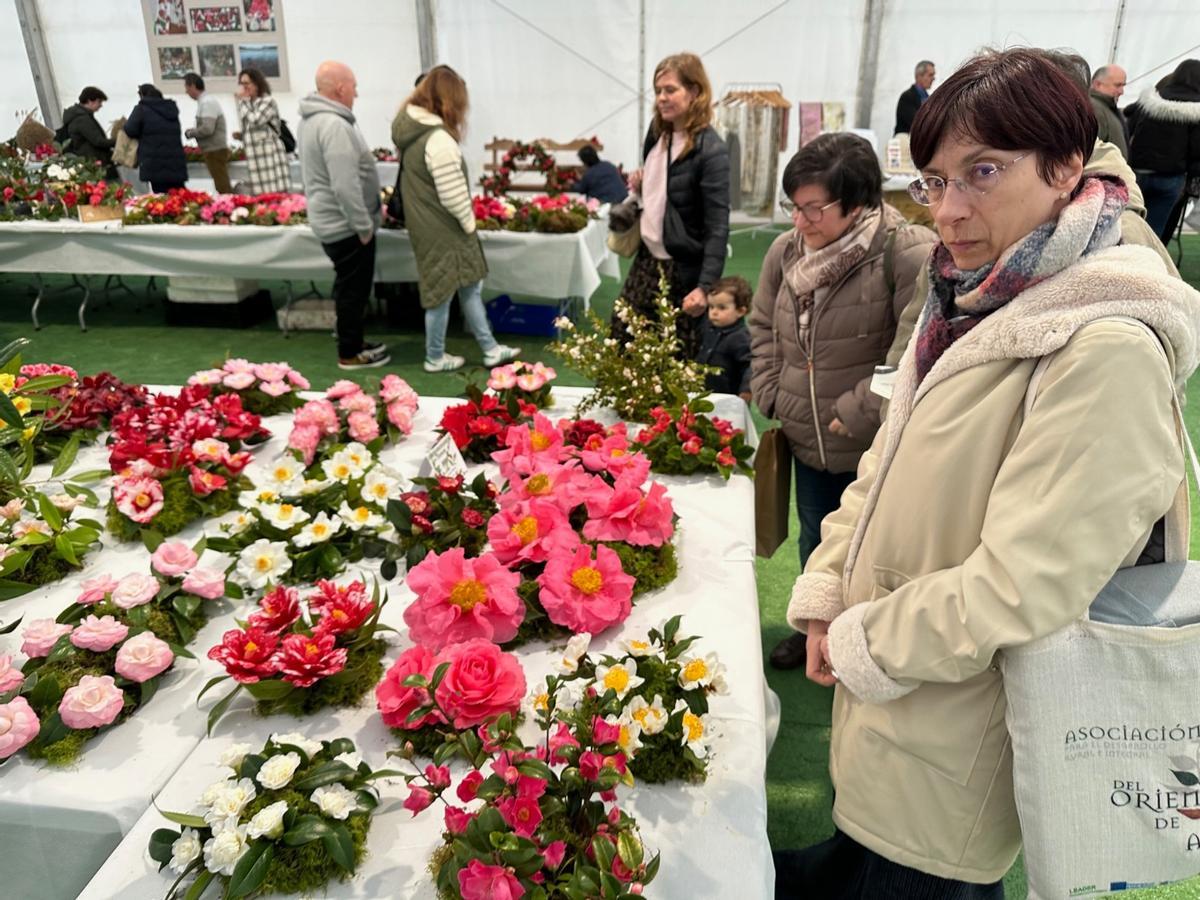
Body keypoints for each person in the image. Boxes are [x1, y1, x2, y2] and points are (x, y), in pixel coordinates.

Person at [775, 48, 1200, 897]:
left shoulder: (1102, 346)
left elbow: (1023, 585)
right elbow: (884, 466)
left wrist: (865, 639)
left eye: (983, 172)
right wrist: (826, 591)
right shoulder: (967, 299)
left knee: (924, 875)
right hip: (906, 699)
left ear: (1066, 165)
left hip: (965, 725)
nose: (950, 210)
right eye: (934, 181)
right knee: (864, 858)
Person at [749, 133, 935, 672]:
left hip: (875, 444)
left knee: (876, 551)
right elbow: (762, 324)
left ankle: (869, 649)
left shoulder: (905, 251)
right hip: (807, 438)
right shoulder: (786, 252)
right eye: (795, 206)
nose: (800, 221)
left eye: (814, 209)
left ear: (858, 204)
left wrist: (852, 412)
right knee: (817, 539)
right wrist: (768, 388)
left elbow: (912, 351)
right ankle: (815, 634)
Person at [392, 65, 520, 372]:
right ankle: (435, 356)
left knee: (466, 288)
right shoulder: (438, 139)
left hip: (428, 227)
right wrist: (469, 223)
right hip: (446, 230)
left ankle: (489, 348)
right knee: (442, 295)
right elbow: (452, 195)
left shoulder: (412, 133)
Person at [619, 52, 730, 360]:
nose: (661, 98)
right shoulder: (657, 134)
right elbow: (660, 191)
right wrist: (643, 184)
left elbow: (718, 227)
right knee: (623, 344)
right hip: (646, 260)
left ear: (694, 92)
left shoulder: (712, 151)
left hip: (681, 270)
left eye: (670, 90)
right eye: (658, 91)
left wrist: (705, 287)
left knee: (673, 360)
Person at [298, 61, 390, 371]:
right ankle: (350, 352)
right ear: (340, 88)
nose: (357, 93)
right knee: (354, 291)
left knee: (347, 287)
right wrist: (363, 226)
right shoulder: (334, 125)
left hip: (332, 221)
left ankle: (352, 339)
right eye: (353, 86)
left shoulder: (313, 121)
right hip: (346, 226)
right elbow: (344, 184)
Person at [1126, 59, 1200, 241]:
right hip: (1170, 178)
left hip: (1136, 172)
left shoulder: (1151, 99)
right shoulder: (1196, 110)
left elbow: (1129, 124)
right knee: (1153, 233)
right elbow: (1196, 151)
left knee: (1127, 224)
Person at [233, 67, 290, 194]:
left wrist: (242, 102)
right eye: (241, 83)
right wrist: (242, 135)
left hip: (269, 155)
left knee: (276, 194)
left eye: (246, 83)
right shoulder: (248, 103)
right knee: (261, 196)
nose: (243, 87)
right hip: (255, 157)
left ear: (256, 83)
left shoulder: (267, 101)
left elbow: (257, 120)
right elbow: (250, 128)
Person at [695, 275, 752, 400]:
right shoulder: (709, 329)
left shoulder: (740, 337)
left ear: (741, 311)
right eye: (711, 307)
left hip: (729, 398)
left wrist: (746, 390)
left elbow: (750, 365)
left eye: (722, 308)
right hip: (704, 394)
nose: (714, 312)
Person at [123, 84, 187, 193]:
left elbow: (130, 130)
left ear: (142, 95)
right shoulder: (171, 109)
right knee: (179, 195)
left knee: (161, 198)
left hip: (154, 162)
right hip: (175, 162)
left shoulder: (141, 110)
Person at [183, 72, 232, 194]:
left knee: (222, 185)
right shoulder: (205, 101)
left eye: (187, 88)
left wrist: (191, 133)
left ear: (193, 86)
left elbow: (208, 129)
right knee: (221, 182)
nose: (186, 92)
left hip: (215, 150)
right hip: (212, 150)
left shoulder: (207, 102)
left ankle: (229, 206)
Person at [60, 87, 114, 169]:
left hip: (87, 161)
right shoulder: (82, 119)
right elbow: (98, 141)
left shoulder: (79, 116)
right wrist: (118, 141)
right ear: (89, 101)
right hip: (93, 163)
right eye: (99, 101)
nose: (101, 105)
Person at [1090, 63, 1129, 159]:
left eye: (1123, 86)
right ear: (1097, 84)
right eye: (1117, 85)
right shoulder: (1095, 109)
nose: (1122, 92)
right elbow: (1092, 150)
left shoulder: (1108, 107)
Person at [894, 60, 935, 134]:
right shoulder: (907, 97)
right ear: (919, 76)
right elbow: (916, 123)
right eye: (930, 75)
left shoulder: (929, 99)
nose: (933, 78)